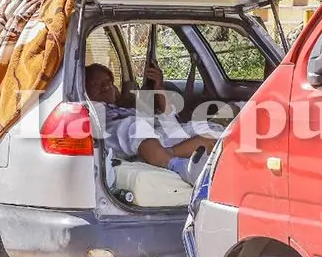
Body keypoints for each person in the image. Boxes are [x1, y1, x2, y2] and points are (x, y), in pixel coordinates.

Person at [85, 62, 222, 185]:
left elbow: (169, 120)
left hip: (160, 139)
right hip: (122, 137)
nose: (105, 88)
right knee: (136, 125)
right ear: (84, 90)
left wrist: (159, 86)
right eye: (96, 85)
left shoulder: (128, 107)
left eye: (108, 82)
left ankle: (164, 154)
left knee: (211, 129)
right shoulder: (93, 110)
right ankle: (176, 164)